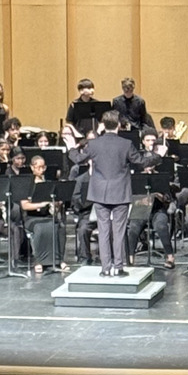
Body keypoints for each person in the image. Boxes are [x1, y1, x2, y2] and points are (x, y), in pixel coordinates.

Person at [64, 109, 142, 276]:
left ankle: (105, 269)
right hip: (120, 192)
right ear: (119, 125)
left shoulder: (93, 144)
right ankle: (119, 267)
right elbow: (141, 161)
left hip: (99, 192)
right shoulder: (126, 144)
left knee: (103, 229)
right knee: (118, 231)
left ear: (103, 125)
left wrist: (71, 147)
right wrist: (158, 155)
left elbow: (78, 159)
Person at [126, 128, 175, 269]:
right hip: (140, 208)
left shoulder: (160, 176)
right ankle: (130, 258)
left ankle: (170, 256)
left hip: (158, 209)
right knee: (133, 228)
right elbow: (130, 196)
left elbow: (168, 198)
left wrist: (158, 196)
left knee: (161, 225)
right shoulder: (136, 178)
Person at [18, 155, 69, 273]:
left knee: (60, 227)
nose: (42, 170)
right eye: (39, 167)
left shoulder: (49, 183)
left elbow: (56, 201)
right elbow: (25, 205)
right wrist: (41, 204)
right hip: (32, 218)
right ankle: (39, 260)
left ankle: (59, 259)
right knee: (41, 228)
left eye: (43, 167)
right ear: (32, 167)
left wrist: (57, 203)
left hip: (47, 216)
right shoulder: (27, 185)